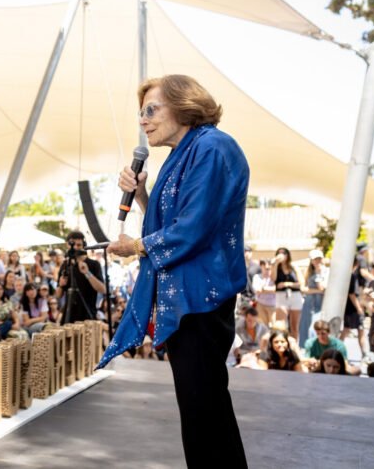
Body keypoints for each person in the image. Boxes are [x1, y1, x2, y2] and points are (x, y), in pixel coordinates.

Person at [104, 74, 249, 467]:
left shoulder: (213, 147)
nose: (144, 120)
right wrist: (140, 195)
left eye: (152, 110)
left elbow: (194, 227)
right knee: (202, 413)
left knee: (206, 414)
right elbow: (169, 221)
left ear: (184, 106)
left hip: (201, 300)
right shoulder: (183, 153)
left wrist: (134, 247)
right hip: (187, 299)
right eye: (141, 113)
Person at [56, 231, 106, 323]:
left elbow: (103, 289)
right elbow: (58, 295)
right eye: (72, 244)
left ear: (84, 245)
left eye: (78, 245)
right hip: (69, 317)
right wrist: (61, 285)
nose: (75, 247)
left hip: (88, 315)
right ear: (68, 245)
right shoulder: (65, 265)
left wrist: (87, 273)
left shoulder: (94, 265)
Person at [270, 247, 303, 343]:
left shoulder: (294, 267)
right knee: (280, 325)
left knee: (294, 326)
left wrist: (286, 284)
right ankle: (281, 345)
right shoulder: (276, 267)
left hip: (295, 295)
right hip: (281, 296)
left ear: (287, 255)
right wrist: (275, 263)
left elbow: (301, 283)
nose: (281, 255)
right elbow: (273, 278)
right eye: (279, 253)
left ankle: (294, 347)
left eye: (283, 253)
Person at [300, 249, 326, 345]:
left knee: (314, 328)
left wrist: (319, 274)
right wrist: (317, 291)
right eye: (315, 259)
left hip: (320, 304)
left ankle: (315, 347)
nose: (317, 261)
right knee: (304, 327)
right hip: (308, 304)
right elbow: (303, 288)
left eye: (319, 258)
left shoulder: (326, 272)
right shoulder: (308, 272)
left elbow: (322, 287)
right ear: (311, 260)